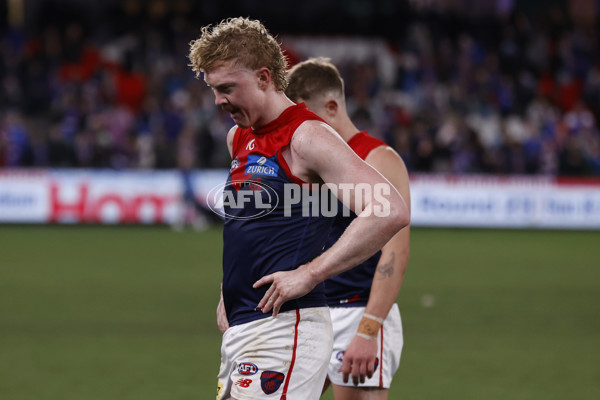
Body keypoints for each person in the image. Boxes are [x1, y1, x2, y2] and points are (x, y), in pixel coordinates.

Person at [188, 18, 409, 400]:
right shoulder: (238, 137)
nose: (218, 101)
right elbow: (250, 228)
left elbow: (389, 209)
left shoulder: (306, 136)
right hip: (246, 329)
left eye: (226, 88)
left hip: (286, 329)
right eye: (213, 90)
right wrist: (228, 290)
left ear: (263, 77)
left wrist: (310, 273)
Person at [286, 57, 411, 399]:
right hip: (309, 311)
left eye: (302, 115)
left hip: (356, 311)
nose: (296, 127)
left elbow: (396, 251)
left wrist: (369, 330)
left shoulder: (378, 159)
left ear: (330, 107)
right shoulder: (307, 160)